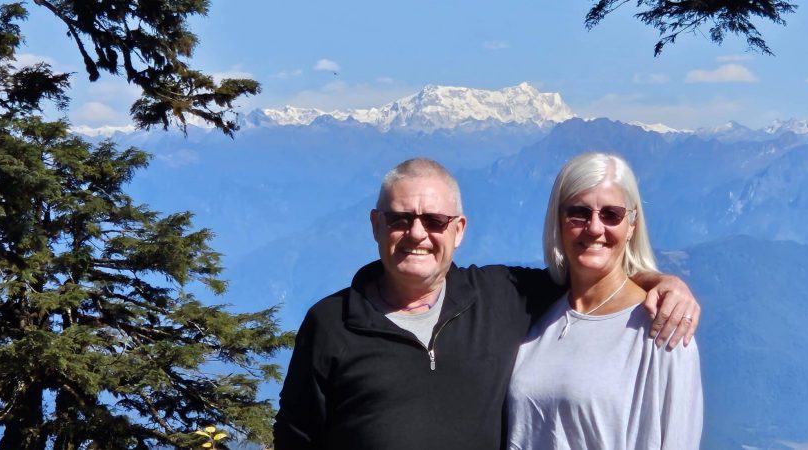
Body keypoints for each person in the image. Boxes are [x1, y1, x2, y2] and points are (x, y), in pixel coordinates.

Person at [274, 158, 700, 450]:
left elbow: (595, 274)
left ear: (458, 230)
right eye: (400, 218)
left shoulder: (500, 296)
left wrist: (662, 282)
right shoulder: (332, 324)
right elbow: (296, 440)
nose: (417, 234)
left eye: (435, 221)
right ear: (376, 225)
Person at [507, 152, 703, 449]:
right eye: (579, 213)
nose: (595, 228)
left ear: (632, 225)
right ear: (558, 221)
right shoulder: (532, 312)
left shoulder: (663, 329)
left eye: (611, 214)